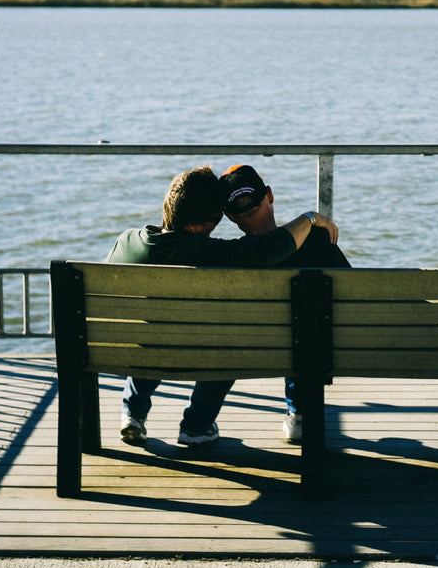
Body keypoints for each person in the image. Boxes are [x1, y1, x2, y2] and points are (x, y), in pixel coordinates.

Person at [106, 165, 339, 448]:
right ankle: (197, 426)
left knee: (153, 332)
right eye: (215, 221)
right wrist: (310, 218)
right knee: (228, 348)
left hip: (126, 353)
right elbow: (263, 252)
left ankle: (132, 412)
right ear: (195, 227)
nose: (215, 228)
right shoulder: (204, 250)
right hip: (203, 358)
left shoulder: (126, 241)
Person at [218, 164, 351, 444]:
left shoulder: (233, 255)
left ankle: (196, 422)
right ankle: (300, 411)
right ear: (270, 196)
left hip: (253, 352)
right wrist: (310, 219)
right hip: (329, 350)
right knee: (303, 332)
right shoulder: (316, 239)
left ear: (230, 217)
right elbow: (352, 293)